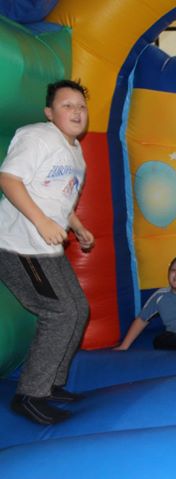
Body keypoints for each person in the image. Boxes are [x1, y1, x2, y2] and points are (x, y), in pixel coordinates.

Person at [0, 80, 93, 425]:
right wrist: (40, 222)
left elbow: (59, 199)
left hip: (44, 247)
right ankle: (30, 395)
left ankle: (51, 384)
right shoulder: (38, 136)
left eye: (81, 106)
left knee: (78, 309)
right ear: (49, 113)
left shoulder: (76, 153)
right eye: (67, 105)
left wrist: (77, 227)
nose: (76, 112)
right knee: (60, 312)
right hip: (17, 243)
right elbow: (9, 179)